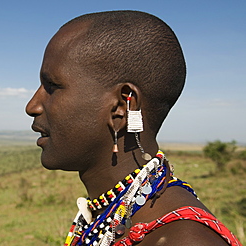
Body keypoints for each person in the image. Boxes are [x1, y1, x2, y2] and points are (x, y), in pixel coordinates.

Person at [26, 11, 241, 246]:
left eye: (53, 87)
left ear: (123, 105)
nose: (32, 106)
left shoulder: (182, 240)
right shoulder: (106, 215)